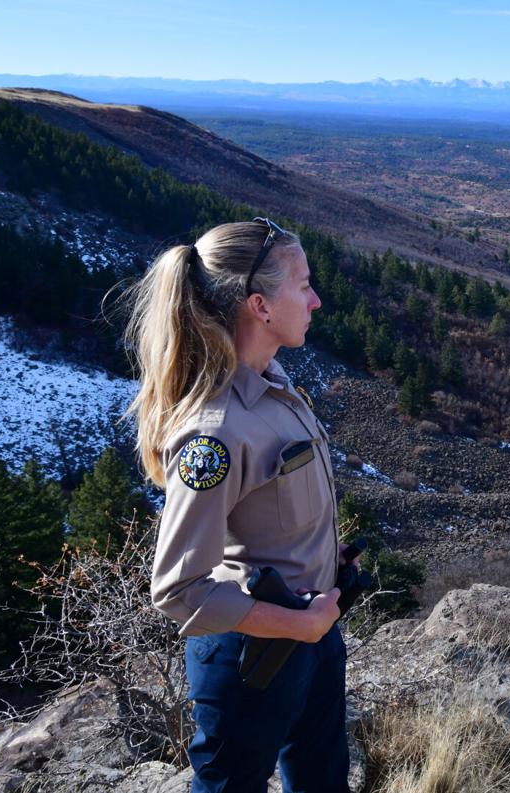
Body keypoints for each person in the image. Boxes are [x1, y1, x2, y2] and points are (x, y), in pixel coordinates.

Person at [122, 218, 352, 792]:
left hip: (311, 634)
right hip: (252, 661)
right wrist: (297, 628)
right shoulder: (215, 432)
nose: (316, 299)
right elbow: (178, 589)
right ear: (260, 306)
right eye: (302, 285)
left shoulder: (273, 384)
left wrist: (323, 558)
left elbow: (267, 515)